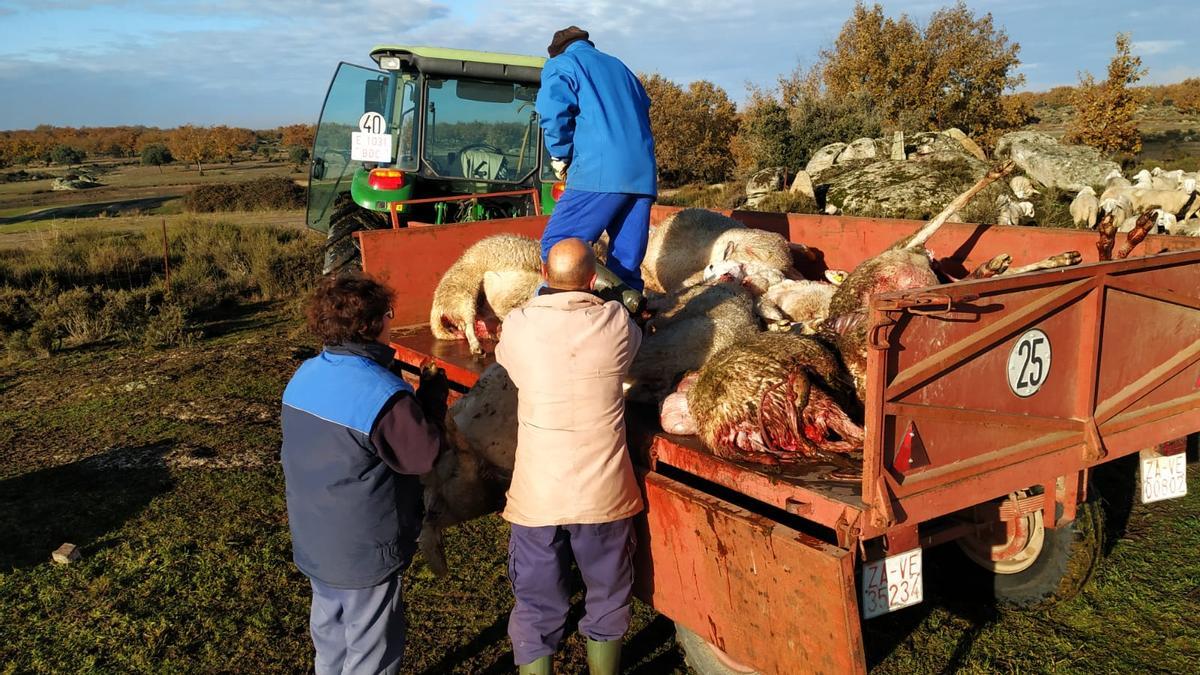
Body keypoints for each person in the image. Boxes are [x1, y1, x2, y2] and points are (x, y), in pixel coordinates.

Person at [495, 238, 644, 675]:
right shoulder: (617, 322)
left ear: (543, 275)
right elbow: (632, 342)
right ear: (593, 279)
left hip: (538, 493)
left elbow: (508, 360)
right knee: (608, 593)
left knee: (537, 599)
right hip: (603, 494)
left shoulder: (518, 324)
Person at [280, 273, 442, 675]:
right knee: (372, 650)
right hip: (363, 550)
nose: (392, 322)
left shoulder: (305, 374)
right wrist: (431, 401)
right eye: (389, 315)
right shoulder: (381, 394)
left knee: (330, 632)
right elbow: (422, 456)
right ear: (372, 326)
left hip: (315, 538)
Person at [536, 26, 657, 294]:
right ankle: (627, 323)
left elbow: (554, 115)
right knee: (625, 264)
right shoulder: (622, 68)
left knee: (557, 248)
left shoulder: (562, 64)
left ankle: (561, 322)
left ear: (556, 51)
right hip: (642, 176)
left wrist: (560, 155)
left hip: (598, 171)